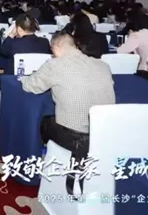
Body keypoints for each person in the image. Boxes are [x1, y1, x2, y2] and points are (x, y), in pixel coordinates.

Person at [21, 32, 115, 184]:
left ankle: (38, 165)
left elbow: (31, 86)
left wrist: (24, 77)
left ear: (56, 47)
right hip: (103, 133)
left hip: (73, 137)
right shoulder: (103, 65)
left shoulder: (54, 65)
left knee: (39, 121)